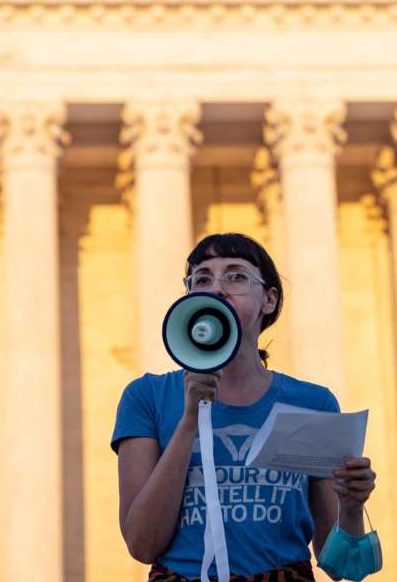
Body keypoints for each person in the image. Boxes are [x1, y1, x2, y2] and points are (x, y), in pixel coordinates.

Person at [112, 233, 377, 581]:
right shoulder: (147, 397)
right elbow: (142, 544)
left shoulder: (313, 403)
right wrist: (190, 419)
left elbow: (341, 567)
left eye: (236, 275)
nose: (217, 287)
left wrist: (352, 507)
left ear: (269, 300)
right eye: (202, 278)